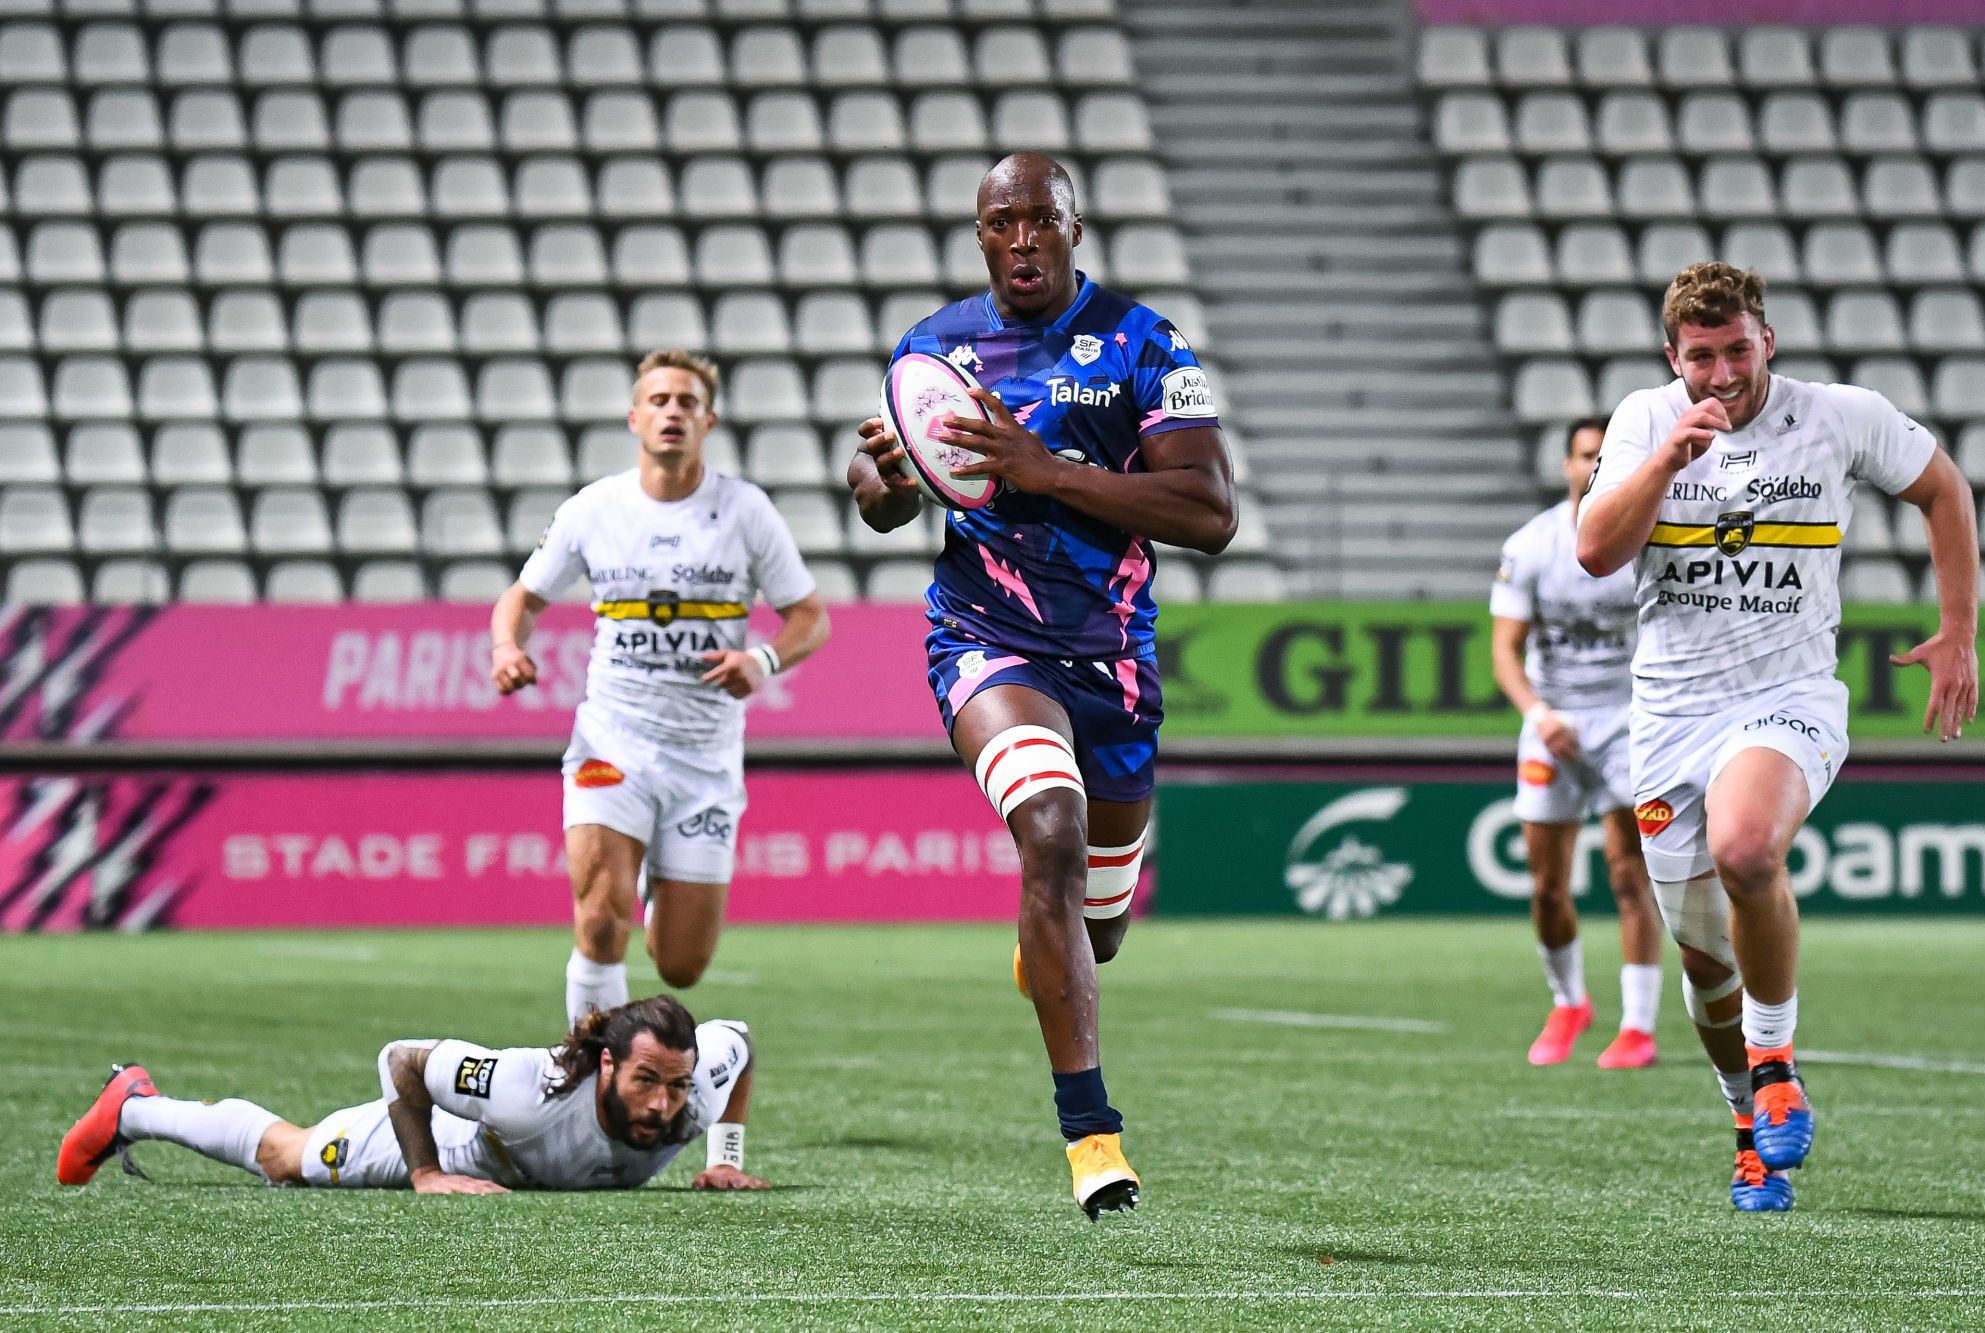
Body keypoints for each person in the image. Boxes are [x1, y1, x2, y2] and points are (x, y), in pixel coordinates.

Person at [845, 153, 1238, 1219]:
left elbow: (1209, 513)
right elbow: (885, 498)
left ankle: (1048, 943)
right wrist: (881, 475)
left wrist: (1044, 469)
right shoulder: (936, 347)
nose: (1021, 237)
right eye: (1000, 221)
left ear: (1074, 225)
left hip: (1111, 661)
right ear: (981, 235)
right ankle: (1091, 1137)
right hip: (984, 639)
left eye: (1039, 220)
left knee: (1095, 923)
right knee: (1050, 832)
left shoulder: (1147, 344)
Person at [1576, 262, 1980, 1211]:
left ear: (1769, 339)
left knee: (1748, 848)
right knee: (1704, 962)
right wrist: (1665, 458)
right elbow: (1596, 551)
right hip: (1671, 717)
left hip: (1786, 694)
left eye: (1736, 350)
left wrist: (1957, 628)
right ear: (1672, 358)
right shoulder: (1645, 420)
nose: (1719, 374)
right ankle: (1743, 1113)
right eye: (1699, 358)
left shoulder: (1837, 413)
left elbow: (1944, 489)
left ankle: (1774, 1064)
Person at [489, 350, 830, 1025]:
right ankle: (591, 1083)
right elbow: (521, 598)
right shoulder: (594, 508)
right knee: (601, 923)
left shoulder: (744, 510)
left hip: (703, 757)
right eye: (659, 400)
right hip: (611, 739)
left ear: (709, 419)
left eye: (685, 401)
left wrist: (760, 660)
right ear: (634, 417)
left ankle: (643, 871)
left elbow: (810, 618)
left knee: (681, 963)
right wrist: (506, 646)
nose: (672, 411)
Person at [56, 994, 767, 1193]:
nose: (661, 1106)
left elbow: (741, 1040)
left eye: (675, 1086)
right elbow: (402, 1058)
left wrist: (725, 1156)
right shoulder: (527, 1089)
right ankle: (135, 1106)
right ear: (607, 1065)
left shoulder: (693, 1087)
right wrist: (426, 1170)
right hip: (460, 1143)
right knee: (286, 1155)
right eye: (645, 1081)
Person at [1491, 417, 1662, 1070]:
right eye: (1585, 455)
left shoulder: (1647, 537)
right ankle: (1568, 1001)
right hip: (1553, 721)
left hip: (1629, 717)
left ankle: (1637, 1025)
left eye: (1605, 457)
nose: (1593, 467)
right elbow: (1504, 650)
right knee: (1546, 886)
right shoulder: (1531, 545)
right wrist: (1538, 713)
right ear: (1566, 464)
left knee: (1629, 870)